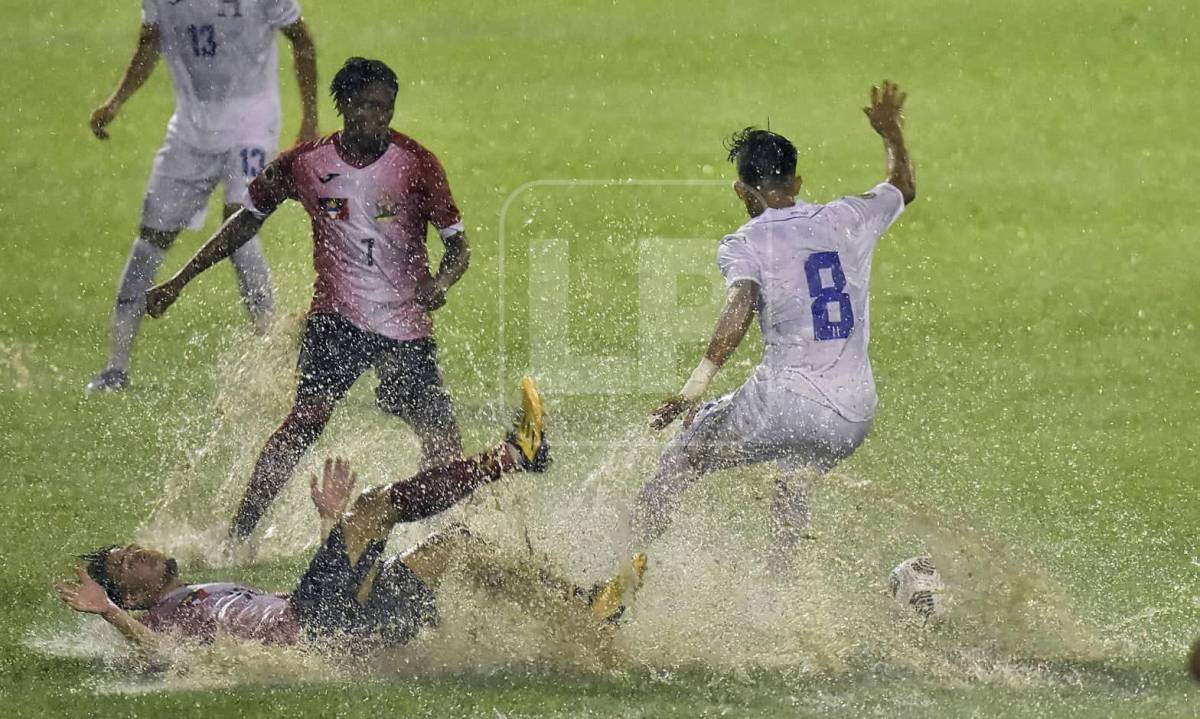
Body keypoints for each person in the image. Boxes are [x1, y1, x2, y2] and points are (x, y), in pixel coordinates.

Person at [144, 58, 471, 549]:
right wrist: (180, 279)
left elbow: (459, 248)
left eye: (385, 108)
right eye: (365, 107)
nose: (376, 118)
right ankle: (238, 536)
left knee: (444, 444)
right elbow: (247, 221)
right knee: (305, 421)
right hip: (336, 321)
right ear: (344, 107)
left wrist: (442, 283)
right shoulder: (306, 163)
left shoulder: (416, 164)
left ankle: (443, 540)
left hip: (405, 326)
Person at [55, 379, 635, 654]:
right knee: (378, 505)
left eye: (127, 547)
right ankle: (513, 455)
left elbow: (318, 592)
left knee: (456, 546)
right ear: (129, 597)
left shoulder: (200, 591)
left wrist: (334, 528)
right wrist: (107, 614)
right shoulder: (158, 621)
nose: (133, 553)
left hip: (346, 621)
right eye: (122, 565)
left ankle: (583, 611)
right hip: (319, 627)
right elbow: (159, 660)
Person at [631, 81, 917, 567]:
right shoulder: (846, 217)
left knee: (684, 452)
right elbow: (903, 188)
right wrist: (891, 133)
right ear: (798, 183)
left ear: (741, 191)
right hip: (856, 412)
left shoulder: (743, 242)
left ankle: (620, 563)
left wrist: (694, 386)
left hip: (787, 404)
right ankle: (782, 586)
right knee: (794, 471)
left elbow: (740, 307)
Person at [87, 0, 319, 392]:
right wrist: (116, 101)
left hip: (253, 123)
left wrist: (309, 119)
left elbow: (302, 40)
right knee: (151, 239)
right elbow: (150, 42)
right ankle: (116, 368)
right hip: (190, 133)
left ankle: (276, 359)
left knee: (240, 225)